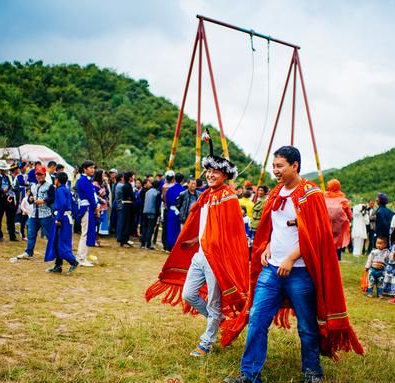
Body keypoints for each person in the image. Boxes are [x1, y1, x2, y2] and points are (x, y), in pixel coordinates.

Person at [226, 146, 363, 383]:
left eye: (280, 166)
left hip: (300, 272)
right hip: (271, 270)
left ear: (295, 166)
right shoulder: (276, 192)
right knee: (257, 320)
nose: (275, 171)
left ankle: (312, 372)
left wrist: (291, 258)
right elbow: (272, 226)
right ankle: (249, 375)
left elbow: (318, 234)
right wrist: (267, 244)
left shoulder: (311, 193)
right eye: (273, 166)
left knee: (307, 326)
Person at [146, 131, 249, 358]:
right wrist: (194, 240)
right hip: (201, 255)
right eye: (209, 171)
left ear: (225, 175)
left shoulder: (229, 198)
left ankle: (207, 341)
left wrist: (220, 254)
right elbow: (205, 225)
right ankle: (218, 320)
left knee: (214, 301)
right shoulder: (208, 195)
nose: (211, 175)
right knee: (189, 295)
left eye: (216, 172)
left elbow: (232, 234)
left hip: (216, 258)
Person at [14, 166, 55, 260]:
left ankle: (54, 253)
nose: (39, 176)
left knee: (49, 235)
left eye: (41, 174)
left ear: (45, 175)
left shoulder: (50, 186)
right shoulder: (33, 186)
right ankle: (28, 252)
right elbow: (30, 199)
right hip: (34, 214)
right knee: (31, 233)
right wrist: (30, 199)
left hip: (46, 214)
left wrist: (43, 201)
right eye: (37, 174)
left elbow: (52, 198)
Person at [44, 172, 79, 274]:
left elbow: (63, 204)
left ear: (57, 180)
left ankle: (73, 261)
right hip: (66, 217)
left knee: (61, 242)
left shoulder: (60, 190)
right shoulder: (66, 189)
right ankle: (58, 265)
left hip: (62, 217)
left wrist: (58, 218)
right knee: (56, 241)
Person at [76, 160, 98, 267]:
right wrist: (95, 207)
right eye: (90, 168)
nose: (93, 170)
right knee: (85, 233)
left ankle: (82, 257)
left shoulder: (85, 180)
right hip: (87, 207)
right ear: (85, 169)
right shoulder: (83, 180)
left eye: (93, 168)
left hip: (87, 207)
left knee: (86, 233)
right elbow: (90, 196)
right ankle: (81, 258)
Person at [0, 160, 18, 242]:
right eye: (2, 169)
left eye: (4, 169)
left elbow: (13, 187)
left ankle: (12, 236)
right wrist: (2, 191)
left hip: (9, 199)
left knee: (11, 219)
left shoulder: (9, 177)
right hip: (0, 200)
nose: (3, 171)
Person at [324, 179, 352, 260]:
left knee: (326, 247)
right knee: (336, 247)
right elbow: (349, 215)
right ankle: (336, 260)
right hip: (338, 229)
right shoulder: (343, 200)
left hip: (325, 228)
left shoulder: (323, 197)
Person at [164, 172, 185, 251]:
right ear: (182, 180)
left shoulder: (170, 190)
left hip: (171, 211)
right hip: (180, 212)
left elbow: (167, 201)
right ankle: (176, 246)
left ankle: (169, 245)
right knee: (178, 229)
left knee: (170, 228)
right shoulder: (183, 190)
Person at [141, 180, 161, 249]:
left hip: (145, 211)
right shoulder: (157, 193)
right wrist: (158, 213)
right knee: (150, 228)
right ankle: (148, 243)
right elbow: (157, 205)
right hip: (152, 212)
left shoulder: (147, 192)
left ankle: (143, 243)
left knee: (145, 227)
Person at [117, 172, 135, 247]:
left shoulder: (125, 185)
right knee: (126, 222)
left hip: (126, 204)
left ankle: (124, 239)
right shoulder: (128, 186)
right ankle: (124, 239)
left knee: (125, 222)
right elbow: (132, 196)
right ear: (129, 178)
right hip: (127, 205)